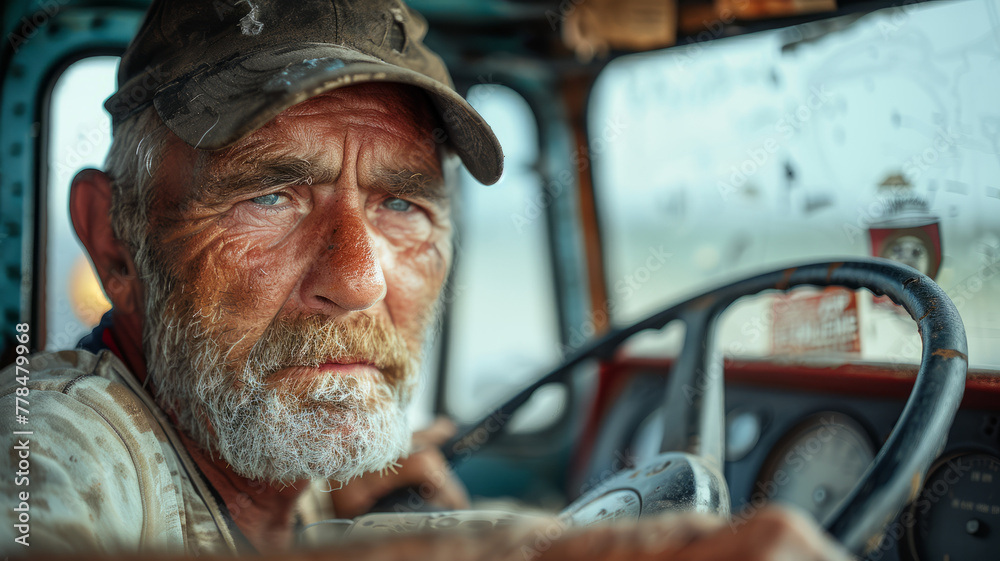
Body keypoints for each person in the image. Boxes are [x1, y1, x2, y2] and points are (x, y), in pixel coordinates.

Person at [0, 0, 850, 558]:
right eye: (271, 195)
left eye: (402, 204)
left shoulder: (262, 469)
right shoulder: (52, 442)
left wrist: (357, 511)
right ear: (115, 239)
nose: (360, 280)